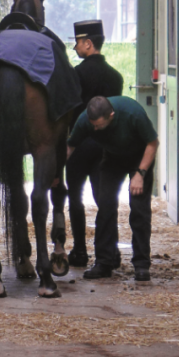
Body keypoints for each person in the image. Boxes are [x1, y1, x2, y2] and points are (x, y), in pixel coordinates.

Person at [67, 95, 159, 281]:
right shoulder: (85, 120)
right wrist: (53, 173)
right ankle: (104, 262)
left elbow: (152, 143)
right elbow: (70, 147)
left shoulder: (133, 114)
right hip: (112, 158)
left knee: (139, 210)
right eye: (93, 125)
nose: (95, 129)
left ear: (111, 115)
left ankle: (141, 264)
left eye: (99, 125)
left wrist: (140, 174)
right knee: (106, 206)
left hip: (139, 157)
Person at [64, 20, 123, 268]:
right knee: (105, 199)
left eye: (77, 42)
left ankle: (79, 251)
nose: (75, 46)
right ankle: (108, 252)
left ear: (88, 44)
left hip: (78, 146)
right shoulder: (115, 77)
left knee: (75, 198)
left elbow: (69, 112)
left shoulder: (75, 75)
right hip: (104, 147)